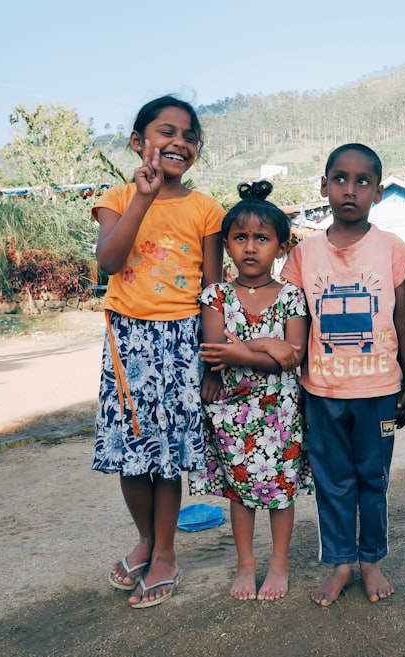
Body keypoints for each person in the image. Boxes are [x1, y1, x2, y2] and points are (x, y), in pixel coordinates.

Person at [93, 96, 223, 609]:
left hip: (182, 338)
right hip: (127, 339)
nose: (180, 142)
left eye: (190, 136)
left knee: (169, 455)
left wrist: (213, 359)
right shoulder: (117, 196)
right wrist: (141, 200)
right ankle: (145, 538)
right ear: (137, 142)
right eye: (166, 131)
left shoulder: (206, 208)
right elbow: (108, 261)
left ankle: (165, 551)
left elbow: (213, 291)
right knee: (132, 450)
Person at [280, 143, 405, 606]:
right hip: (322, 390)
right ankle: (340, 563)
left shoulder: (392, 249)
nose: (350, 190)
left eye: (362, 181)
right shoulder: (303, 256)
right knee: (331, 479)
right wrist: (295, 388)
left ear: (378, 191)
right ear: (323, 187)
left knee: (372, 478)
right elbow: (295, 325)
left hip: (379, 388)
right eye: (340, 179)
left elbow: (404, 319)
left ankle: (371, 560)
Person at [188, 180, 313, 601]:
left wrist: (247, 350)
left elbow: (294, 356)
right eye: (240, 238)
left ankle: (279, 563)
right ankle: (246, 565)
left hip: (281, 411)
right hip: (233, 410)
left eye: (262, 238)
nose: (250, 247)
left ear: (280, 247)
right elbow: (216, 350)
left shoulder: (292, 297)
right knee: (240, 492)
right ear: (226, 245)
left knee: (279, 491)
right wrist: (265, 346)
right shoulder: (215, 295)